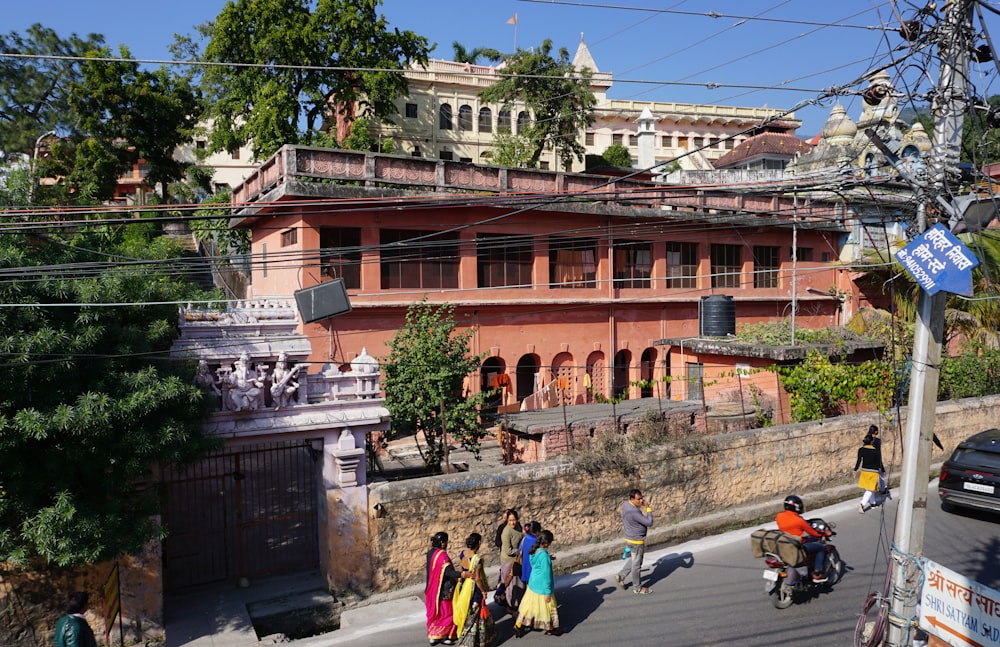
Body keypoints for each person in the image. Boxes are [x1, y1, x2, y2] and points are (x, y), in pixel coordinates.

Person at [514, 529, 561, 637]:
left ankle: (517, 625)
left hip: (532, 583)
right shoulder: (544, 556)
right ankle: (551, 628)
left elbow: (537, 563)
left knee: (528, 607)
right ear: (547, 543)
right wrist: (548, 592)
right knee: (549, 608)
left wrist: (547, 558)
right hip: (542, 587)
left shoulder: (534, 551)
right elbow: (546, 576)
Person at [425, 531, 469, 646]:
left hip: (432, 588)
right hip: (444, 590)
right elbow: (448, 572)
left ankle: (433, 636)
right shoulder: (443, 556)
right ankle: (444, 636)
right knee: (447, 613)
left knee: (436, 613)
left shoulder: (430, 553)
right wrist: (462, 575)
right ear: (443, 543)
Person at [453, 532, 497, 646]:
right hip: (474, 589)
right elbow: (477, 578)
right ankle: (473, 641)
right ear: (478, 543)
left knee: (469, 612)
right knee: (476, 614)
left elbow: (460, 569)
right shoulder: (477, 559)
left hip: (465, 587)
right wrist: (483, 591)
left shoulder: (463, 554)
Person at [775, 494, 830, 582]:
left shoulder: (779, 516)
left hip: (784, 544)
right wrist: (823, 533)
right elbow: (813, 533)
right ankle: (817, 573)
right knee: (821, 548)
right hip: (797, 546)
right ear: (796, 507)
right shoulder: (799, 520)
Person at [616, 489, 653, 595]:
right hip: (636, 541)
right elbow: (649, 522)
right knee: (637, 565)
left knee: (634, 559)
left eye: (642, 498)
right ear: (632, 499)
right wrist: (648, 508)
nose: (641, 501)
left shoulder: (626, 505)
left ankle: (621, 576)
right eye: (639, 499)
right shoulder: (634, 512)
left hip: (629, 538)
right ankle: (637, 588)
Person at [495, 509, 523, 614]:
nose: (512, 522)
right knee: (510, 584)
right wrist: (520, 551)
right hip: (509, 561)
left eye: (514, 520)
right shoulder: (506, 532)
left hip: (517, 560)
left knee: (518, 583)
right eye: (510, 520)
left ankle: (518, 603)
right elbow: (508, 551)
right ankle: (510, 605)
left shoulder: (518, 527)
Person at [854, 431, 887, 513]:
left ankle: (873, 503)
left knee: (866, 488)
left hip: (864, 471)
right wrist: (882, 470)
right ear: (871, 442)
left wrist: (855, 470)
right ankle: (862, 504)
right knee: (871, 489)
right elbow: (879, 462)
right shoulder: (875, 451)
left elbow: (858, 461)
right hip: (873, 472)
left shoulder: (861, 450)